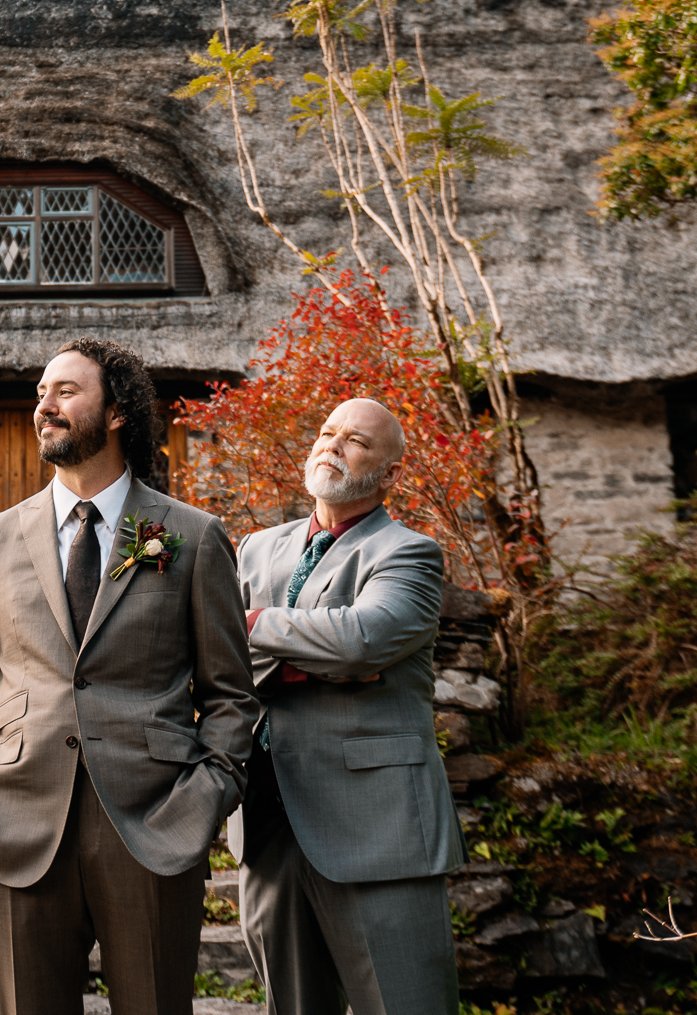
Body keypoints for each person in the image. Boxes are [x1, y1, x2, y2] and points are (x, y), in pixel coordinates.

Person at [0, 338, 259, 1015]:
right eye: (39, 394)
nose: (43, 408)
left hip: (153, 824)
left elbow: (231, 694)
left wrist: (205, 799)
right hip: (14, 816)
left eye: (64, 392)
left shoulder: (193, 536)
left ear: (117, 412)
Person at [230, 398, 465, 1015]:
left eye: (356, 441)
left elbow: (364, 639)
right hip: (267, 824)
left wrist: (252, 623)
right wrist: (310, 658)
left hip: (376, 827)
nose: (332, 445)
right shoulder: (255, 549)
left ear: (390, 474)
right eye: (328, 432)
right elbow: (213, 656)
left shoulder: (408, 553)